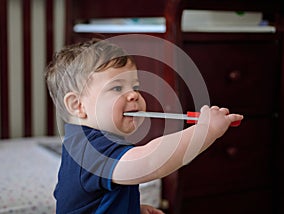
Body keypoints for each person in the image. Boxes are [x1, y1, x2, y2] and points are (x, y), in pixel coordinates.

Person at [45, 38, 243, 214]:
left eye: (135, 87)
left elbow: (89, 202)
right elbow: (149, 162)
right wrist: (204, 131)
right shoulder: (90, 149)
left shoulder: (85, 144)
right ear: (77, 105)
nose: (134, 95)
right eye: (117, 88)